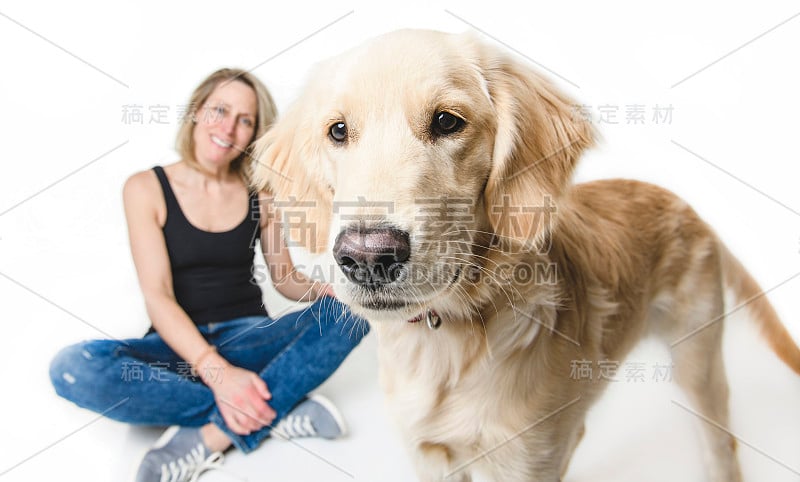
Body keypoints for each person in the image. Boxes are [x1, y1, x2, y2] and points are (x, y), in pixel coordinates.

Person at [49, 68, 367, 482]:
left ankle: (209, 437)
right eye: (219, 110)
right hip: (177, 351)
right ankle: (275, 406)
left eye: (245, 119)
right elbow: (158, 295)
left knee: (357, 310)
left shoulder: (261, 192)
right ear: (197, 113)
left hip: (251, 339)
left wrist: (328, 289)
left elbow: (285, 277)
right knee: (73, 367)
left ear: (254, 132)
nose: (229, 127)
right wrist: (218, 375)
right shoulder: (144, 188)